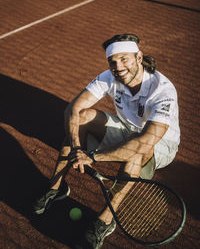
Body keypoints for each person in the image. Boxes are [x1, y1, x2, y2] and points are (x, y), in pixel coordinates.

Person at [33, 33, 180, 248]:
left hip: (160, 144)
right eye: (113, 61)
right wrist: (76, 148)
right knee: (81, 117)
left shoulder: (163, 90)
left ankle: (106, 219)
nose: (118, 66)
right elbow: (73, 109)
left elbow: (144, 141)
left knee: (137, 151)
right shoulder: (109, 76)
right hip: (126, 129)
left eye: (124, 59)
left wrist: (92, 157)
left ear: (139, 57)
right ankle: (56, 187)